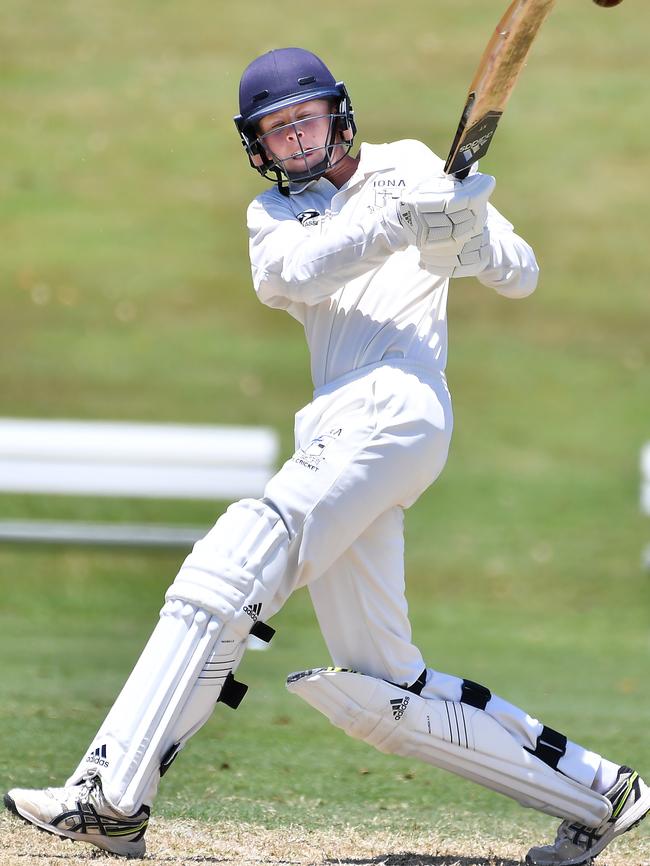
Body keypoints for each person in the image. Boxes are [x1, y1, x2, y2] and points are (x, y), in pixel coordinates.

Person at [4, 47, 648, 866]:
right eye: (276, 134)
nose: (295, 142)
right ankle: (602, 795)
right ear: (257, 147)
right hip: (338, 425)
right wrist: (396, 224)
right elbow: (299, 274)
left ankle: (111, 796)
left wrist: (471, 237)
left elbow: (520, 275)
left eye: (304, 120)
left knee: (233, 561)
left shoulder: (413, 165)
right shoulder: (271, 217)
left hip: (401, 403)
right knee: (382, 686)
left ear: (339, 114)